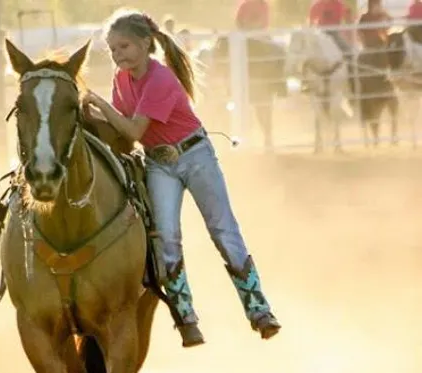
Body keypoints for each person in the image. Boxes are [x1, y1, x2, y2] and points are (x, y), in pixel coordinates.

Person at [81, 10, 281, 347]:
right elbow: (122, 130)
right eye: (113, 50)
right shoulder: (121, 79)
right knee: (166, 238)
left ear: (145, 43)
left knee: (223, 229)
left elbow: (132, 128)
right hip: (159, 162)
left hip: (194, 156)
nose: (118, 55)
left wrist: (99, 103)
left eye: (124, 46)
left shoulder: (160, 79)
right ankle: (185, 316)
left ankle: (258, 307)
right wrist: (90, 113)